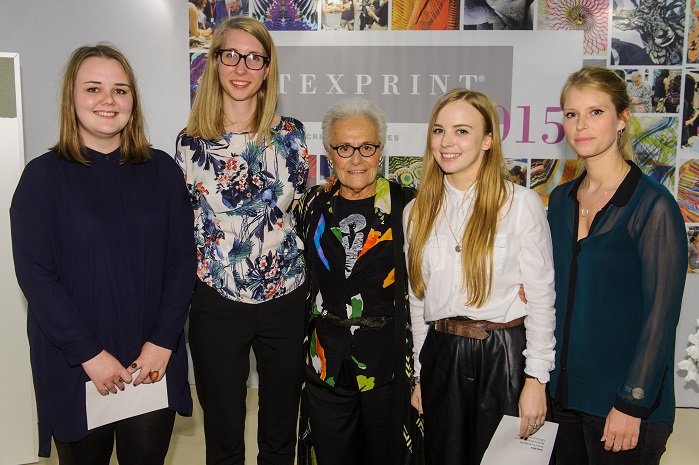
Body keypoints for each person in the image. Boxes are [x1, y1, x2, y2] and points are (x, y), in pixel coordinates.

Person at [10, 44, 195, 464]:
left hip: (150, 361)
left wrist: (163, 341)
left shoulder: (163, 171)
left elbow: (182, 261)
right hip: (75, 364)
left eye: (121, 90)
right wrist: (89, 355)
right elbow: (37, 277)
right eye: (93, 88)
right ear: (71, 98)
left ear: (133, 100)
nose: (108, 101)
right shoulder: (41, 179)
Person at [175, 16, 309, 465]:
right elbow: (184, 224)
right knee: (224, 430)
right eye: (230, 55)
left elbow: (298, 209)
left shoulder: (292, 135)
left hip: (285, 296)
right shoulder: (189, 143)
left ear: (268, 69)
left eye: (254, 58)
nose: (241, 67)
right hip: (216, 298)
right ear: (214, 62)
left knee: (279, 427)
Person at [405, 89, 556, 465]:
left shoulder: (520, 204)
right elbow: (418, 301)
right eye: (439, 131)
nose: (446, 142)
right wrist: (421, 374)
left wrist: (536, 380)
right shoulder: (415, 212)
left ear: (487, 140)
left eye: (462, 131)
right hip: (442, 354)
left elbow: (541, 297)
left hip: (503, 354)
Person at [547, 66, 686, 465]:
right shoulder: (559, 201)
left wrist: (632, 403)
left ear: (623, 119)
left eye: (596, 112)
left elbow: (661, 317)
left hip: (623, 408)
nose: (581, 125)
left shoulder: (653, 206)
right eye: (572, 114)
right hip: (563, 399)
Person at [295, 98, 421, 465]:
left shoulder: (409, 205)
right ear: (329, 151)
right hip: (325, 363)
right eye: (344, 148)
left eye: (367, 147)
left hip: (388, 364)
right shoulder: (310, 205)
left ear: (381, 150)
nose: (356, 158)